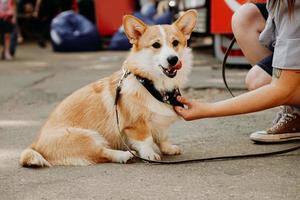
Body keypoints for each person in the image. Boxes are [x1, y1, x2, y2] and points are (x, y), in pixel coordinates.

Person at [174, 0, 300, 143]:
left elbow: (282, 90)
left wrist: (207, 109)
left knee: (259, 81)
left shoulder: (294, 12)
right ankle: (293, 108)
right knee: (246, 17)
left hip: (294, 20)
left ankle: (297, 111)